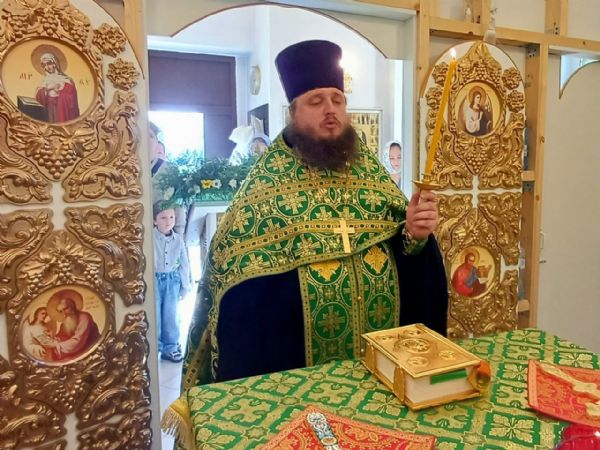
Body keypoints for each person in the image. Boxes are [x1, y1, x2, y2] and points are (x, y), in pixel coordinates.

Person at [178, 39, 447, 388]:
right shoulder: (265, 185)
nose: (330, 110)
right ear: (293, 113)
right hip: (296, 377)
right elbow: (236, 285)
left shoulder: (371, 175)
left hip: (380, 371)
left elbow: (407, 258)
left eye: (337, 100)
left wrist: (414, 235)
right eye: (316, 101)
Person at [153, 202, 192, 362]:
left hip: (172, 281)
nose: (168, 221)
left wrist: (185, 286)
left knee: (171, 315)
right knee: (154, 314)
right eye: (163, 218)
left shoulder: (178, 240)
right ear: (154, 220)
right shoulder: (149, 238)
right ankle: (154, 346)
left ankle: (171, 346)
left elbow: (184, 263)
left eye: (171, 217)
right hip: (154, 280)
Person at [149, 121, 186, 235]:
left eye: (151, 136)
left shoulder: (170, 170)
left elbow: (179, 204)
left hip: (164, 236)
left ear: (157, 142)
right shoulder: (127, 169)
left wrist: (179, 235)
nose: (147, 141)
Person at [48, 290, 100, 361]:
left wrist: (57, 345)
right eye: (60, 311)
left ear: (72, 306)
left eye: (65, 309)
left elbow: (78, 341)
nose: (64, 313)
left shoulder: (84, 317)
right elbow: (62, 336)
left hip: (90, 352)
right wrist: (54, 338)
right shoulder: (65, 323)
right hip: (75, 353)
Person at [35, 52, 80, 123]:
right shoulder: (44, 80)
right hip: (48, 109)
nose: (47, 68)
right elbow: (39, 98)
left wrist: (58, 87)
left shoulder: (66, 79)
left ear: (55, 63)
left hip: (61, 109)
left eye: (49, 64)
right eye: (44, 65)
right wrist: (43, 90)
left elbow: (72, 98)